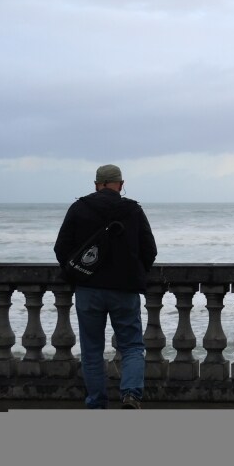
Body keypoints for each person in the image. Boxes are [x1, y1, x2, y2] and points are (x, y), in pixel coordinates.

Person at [54, 164, 158, 409]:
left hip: (88, 290)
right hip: (125, 290)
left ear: (96, 184)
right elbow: (149, 250)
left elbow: (61, 248)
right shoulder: (132, 210)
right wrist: (135, 273)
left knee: (92, 350)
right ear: (120, 185)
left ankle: (96, 403)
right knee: (132, 346)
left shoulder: (79, 208)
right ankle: (131, 395)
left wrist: (80, 272)